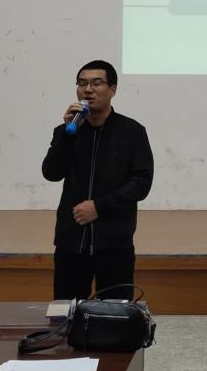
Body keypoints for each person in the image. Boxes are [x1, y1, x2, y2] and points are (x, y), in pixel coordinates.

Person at [42, 60, 153, 300]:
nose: (88, 90)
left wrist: (99, 207)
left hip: (114, 244)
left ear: (113, 89)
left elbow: (141, 183)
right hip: (71, 242)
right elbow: (51, 173)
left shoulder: (132, 131)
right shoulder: (66, 131)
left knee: (115, 314)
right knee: (67, 312)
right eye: (82, 84)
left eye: (96, 83)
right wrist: (67, 134)